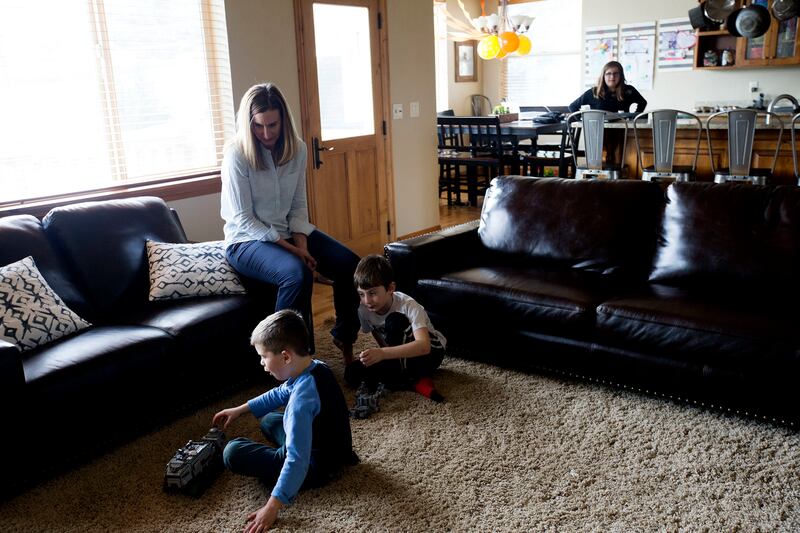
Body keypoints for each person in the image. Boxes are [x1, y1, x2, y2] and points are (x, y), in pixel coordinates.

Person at [221, 82, 360, 362]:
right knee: (296, 273)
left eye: (272, 125)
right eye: (259, 126)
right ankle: (281, 359)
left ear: (284, 119)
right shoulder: (237, 153)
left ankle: (344, 337)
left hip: (286, 230)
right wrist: (296, 251)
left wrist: (302, 243)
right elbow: (244, 218)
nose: (266, 134)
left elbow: (297, 206)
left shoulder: (297, 149)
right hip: (246, 240)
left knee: (350, 264)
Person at [212, 309, 358, 532]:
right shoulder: (315, 367)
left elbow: (297, 460)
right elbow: (280, 393)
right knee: (268, 419)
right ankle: (296, 445)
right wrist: (241, 409)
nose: (262, 363)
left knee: (232, 452)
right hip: (332, 447)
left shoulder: (300, 402)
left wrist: (272, 506)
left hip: (314, 465)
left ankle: (291, 476)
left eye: (263, 356)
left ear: (286, 356)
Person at [344, 254, 446, 402]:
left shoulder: (408, 305)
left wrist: (383, 353)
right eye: (361, 294)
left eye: (372, 293)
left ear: (390, 288)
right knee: (351, 373)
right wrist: (379, 356)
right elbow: (376, 332)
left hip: (431, 353)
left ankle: (408, 379)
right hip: (399, 357)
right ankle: (412, 380)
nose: (367, 300)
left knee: (394, 321)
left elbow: (424, 346)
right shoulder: (363, 309)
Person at [568, 61, 647, 114]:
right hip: (598, 133)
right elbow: (572, 106)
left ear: (621, 76)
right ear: (603, 76)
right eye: (608, 74)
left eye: (616, 73)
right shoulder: (594, 92)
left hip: (623, 132)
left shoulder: (628, 90)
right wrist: (583, 122)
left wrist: (634, 118)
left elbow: (643, 103)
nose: (612, 77)